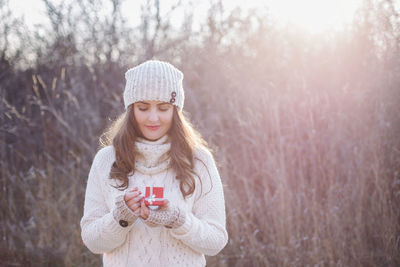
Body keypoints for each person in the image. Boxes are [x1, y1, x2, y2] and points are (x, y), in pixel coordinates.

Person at [80, 60, 228, 266]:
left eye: (163, 108)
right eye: (143, 107)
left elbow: (215, 241)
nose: (153, 118)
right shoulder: (106, 160)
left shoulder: (199, 161)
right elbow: (93, 241)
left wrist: (178, 221)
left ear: (175, 111)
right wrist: (120, 218)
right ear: (131, 109)